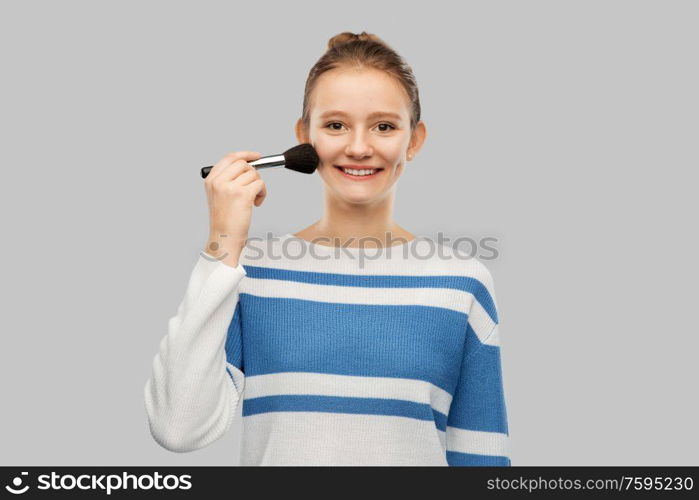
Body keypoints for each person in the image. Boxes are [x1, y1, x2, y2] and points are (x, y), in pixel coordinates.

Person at [144, 31, 511, 466]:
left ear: (414, 139)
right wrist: (223, 241)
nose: (358, 147)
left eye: (384, 126)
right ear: (304, 137)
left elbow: (481, 457)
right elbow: (177, 428)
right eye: (336, 125)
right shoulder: (251, 273)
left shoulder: (462, 282)